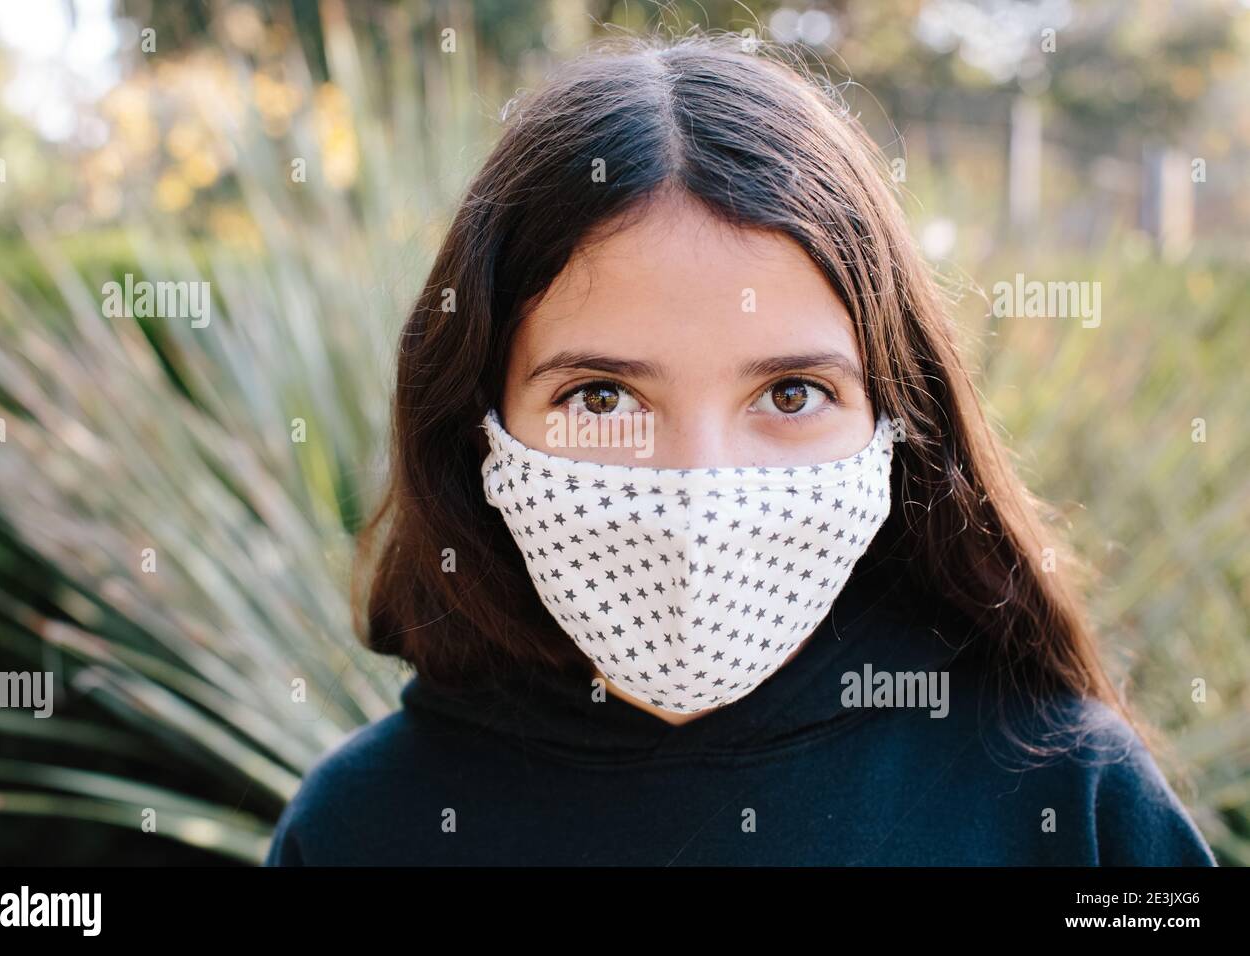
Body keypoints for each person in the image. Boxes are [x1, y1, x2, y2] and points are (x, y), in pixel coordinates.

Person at [265, 34, 1217, 866]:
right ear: (480, 419)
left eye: (791, 394)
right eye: (603, 397)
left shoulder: (1067, 803)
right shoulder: (366, 826)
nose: (697, 492)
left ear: (899, 415)